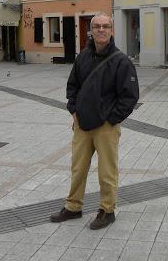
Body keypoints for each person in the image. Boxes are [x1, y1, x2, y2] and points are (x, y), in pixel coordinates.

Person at [50, 13, 139, 230]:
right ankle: (73, 207)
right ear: (91, 30)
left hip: (106, 127)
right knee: (78, 168)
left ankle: (107, 210)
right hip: (82, 125)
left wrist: (111, 119)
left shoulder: (121, 61)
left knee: (107, 172)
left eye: (105, 26)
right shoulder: (83, 57)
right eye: (97, 26)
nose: (101, 30)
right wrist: (74, 112)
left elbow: (130, 96)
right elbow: (73, 87)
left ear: (111, 30)